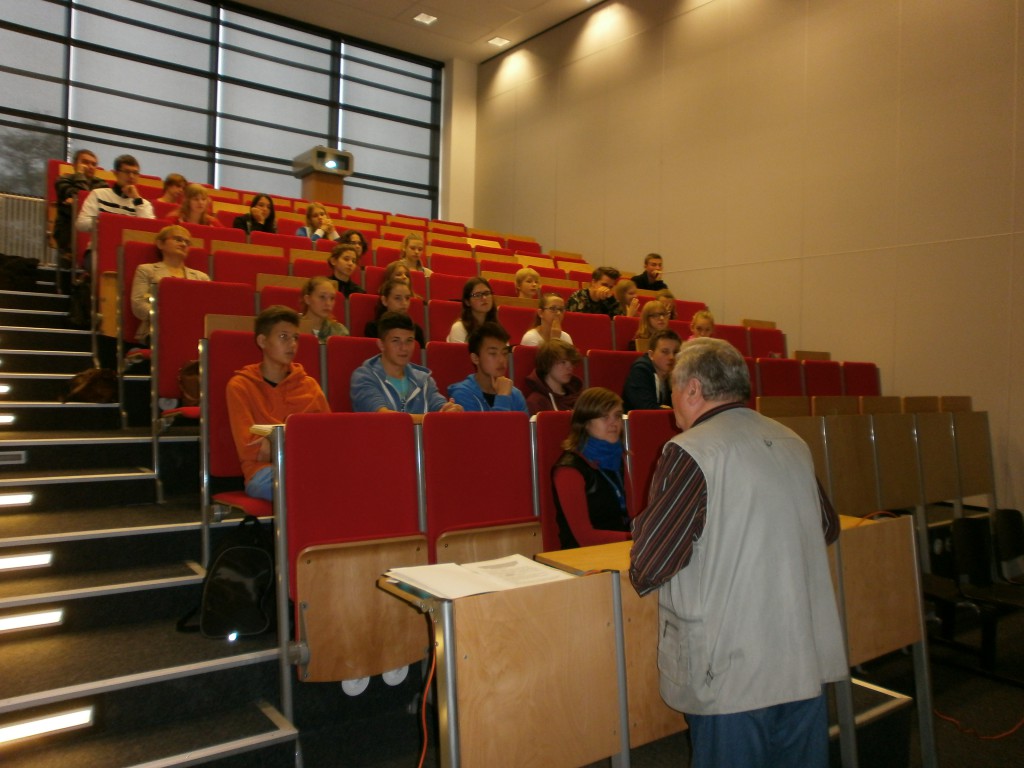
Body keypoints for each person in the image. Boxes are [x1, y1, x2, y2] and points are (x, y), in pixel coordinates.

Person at [629, 338, 848, 768]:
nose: (671, 403)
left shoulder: (688, 451)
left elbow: (651, 566)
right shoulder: (791, 440)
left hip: (732, 670)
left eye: (674, 390)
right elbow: (828, 526)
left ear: (693, 389)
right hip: (802, 656)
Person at [225, 306, 329, 500]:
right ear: (263, 341)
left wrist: (273, 442)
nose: (292, 344)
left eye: (295, 338)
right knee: (306, 485)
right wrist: (299, 443)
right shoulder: (240, 386)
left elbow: (325, 440)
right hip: (264, 472)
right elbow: (250, 450)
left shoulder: (310, 386)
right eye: (283, 337)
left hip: (309, 468)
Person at [551, 387, 631, 548]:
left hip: (621, 550)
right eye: (604, 417)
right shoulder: (569, 469)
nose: (614, 423)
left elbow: (631, 515)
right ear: (586, 423)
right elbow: (584, 537)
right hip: (581, 556)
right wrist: (637, 538)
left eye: (617, 416)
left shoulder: (617, 458)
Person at [350, 311, 463, 418]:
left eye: (409, 340)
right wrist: (432, 418)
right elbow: (384, 418)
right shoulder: (364, 377)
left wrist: (450, 410)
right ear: (381, 345)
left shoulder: (424, 380)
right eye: (396, 340)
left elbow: (440, 408)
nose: (404, 348)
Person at [130, 225, 210, 343]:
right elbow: (138, 304)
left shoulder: (202, 277)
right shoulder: (146, 270)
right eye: (178, 239)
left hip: (194, 332)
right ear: (160, 244)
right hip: (157, 331)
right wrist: (169, 317)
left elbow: (208, 308)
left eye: (187, 242)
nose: (183, 244)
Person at [448, 323, 528, 413]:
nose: (502, 360)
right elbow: (492, 423)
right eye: (493, 353)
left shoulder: (515, 395)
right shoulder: (463, 394)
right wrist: (503, 397)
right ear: (475, 358)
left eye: (505, 353)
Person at [75, 154, 155, 233]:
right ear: (116, 173)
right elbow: (81, 224)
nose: (131, 176)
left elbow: (150, 228)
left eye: (135, 173)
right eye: (127, 172)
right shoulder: (98, 194)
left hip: (129, 241)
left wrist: (137, 199)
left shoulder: (143, 204)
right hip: (103, 240)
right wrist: (110, 222)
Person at [54, 149, 107, 257]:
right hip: (69, 230)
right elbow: (83, 200)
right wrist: (80, 175)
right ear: (75, 165)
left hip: (94, 230)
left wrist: (76, 200)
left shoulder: (102, 184)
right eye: (85, 162)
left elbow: (83, 201)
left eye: (93, 164)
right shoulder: (63, 180)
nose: (90, 167)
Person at [622, 329, 681, 411]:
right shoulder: (640, 371)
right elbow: (647, 410)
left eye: (675, 352)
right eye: (665, 352)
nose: (671, 357)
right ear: (651, 355)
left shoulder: (675, 372)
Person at [524, 339, 583, 415]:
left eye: (572, 362)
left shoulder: (580, 398)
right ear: (548, 363)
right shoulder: (536, 402)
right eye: (563, 362)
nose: (570, 367)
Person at [364, 278, 426, 347]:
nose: (404, 303)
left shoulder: (416, 330)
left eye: (407, 298)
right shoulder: (373, 328)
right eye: (397, 298)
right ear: (384, 300)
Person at [447, 277, 498, 343]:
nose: (484, 298)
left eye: (487, 293)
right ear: (467, 302)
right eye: (477, 295)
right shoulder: (459, 328)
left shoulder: (497, 328)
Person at [299, 276, 348, 342]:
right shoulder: (294, 327)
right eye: (322, 297)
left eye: (332, 298)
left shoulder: (340, 331)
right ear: (307, 299)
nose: (328, 303)